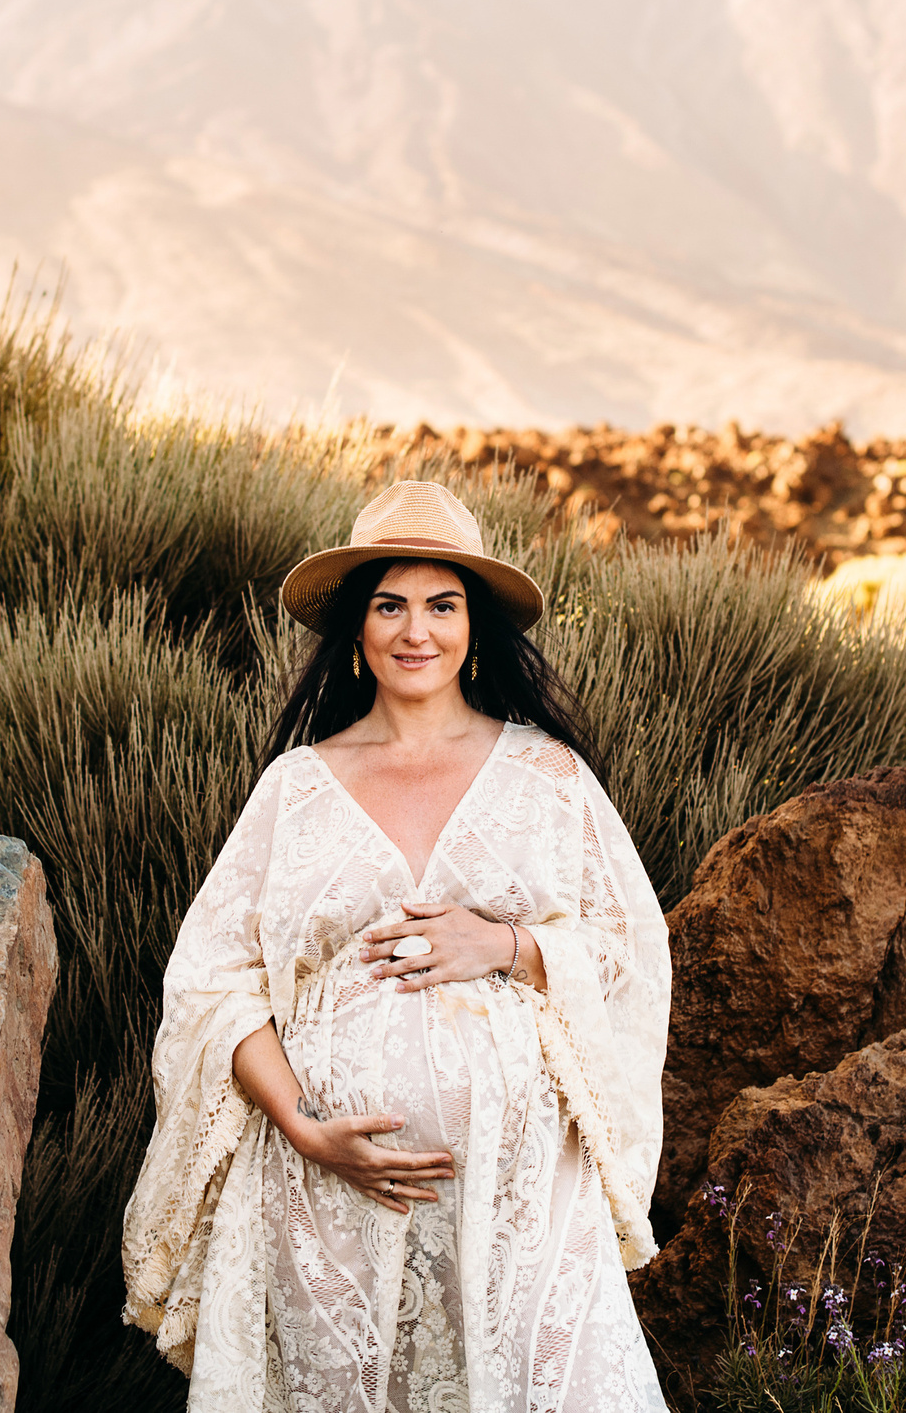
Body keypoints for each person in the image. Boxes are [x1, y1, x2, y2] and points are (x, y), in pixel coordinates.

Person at [122, 479, 673, 1413]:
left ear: (473, 626)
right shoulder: (296, 788)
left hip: (519, 1193)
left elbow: (631, 950)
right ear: (356, 628)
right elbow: (213, 984)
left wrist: (504, 942)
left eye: (442, 604)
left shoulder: (547, 776)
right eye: (390, 605)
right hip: (326, 1200)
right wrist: (302, 1123)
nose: (417, 631)